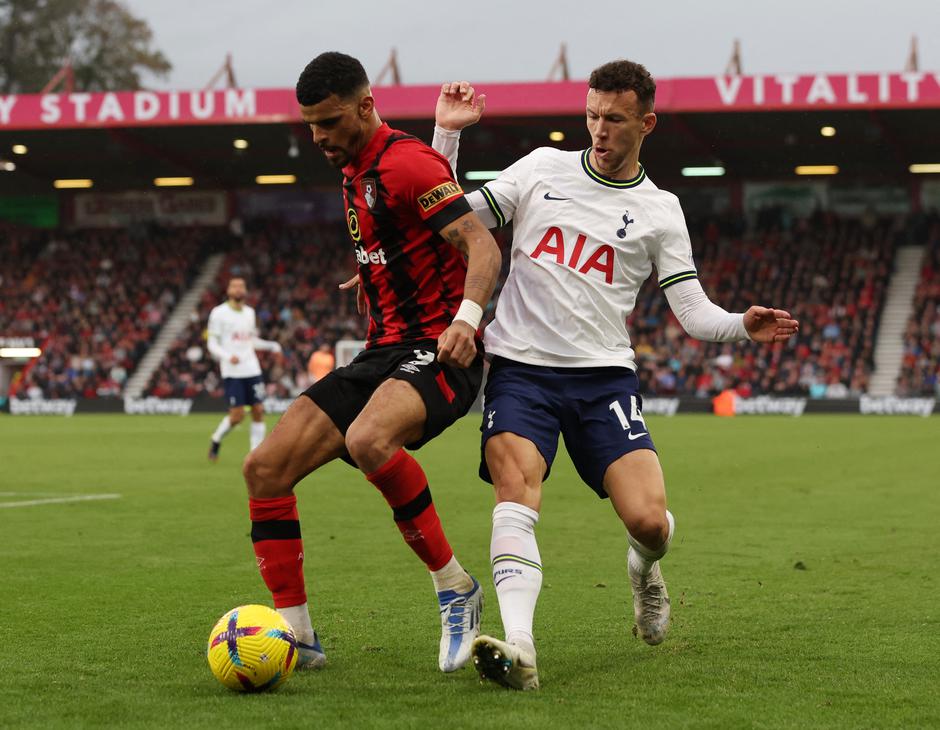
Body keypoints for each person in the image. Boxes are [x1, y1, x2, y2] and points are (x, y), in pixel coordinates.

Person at [430, 63, 800, 690]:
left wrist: (742, 323)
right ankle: (520, 646)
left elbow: (692, 312)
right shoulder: (541, 168)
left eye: (615, 119)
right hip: (521, 370)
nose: (599, 130)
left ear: (646, 123)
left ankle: (644, 571)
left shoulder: (661, 210)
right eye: (592, 115)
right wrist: (447, 136)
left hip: (604, 381)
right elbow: (452, 219)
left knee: (650, 523)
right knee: (515, 491)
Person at [241, 52, 502, 673]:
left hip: (440, 350)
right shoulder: (354, 166)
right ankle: (297, 637)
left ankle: (455, 587)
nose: (318, 137)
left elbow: (482, 245)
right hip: (382, 351)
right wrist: (375, 271)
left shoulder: (407, 162)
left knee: (368, 439)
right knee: (264, 470)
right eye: (310, 125)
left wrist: (465, 320)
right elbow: (403, 234)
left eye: (329, 122)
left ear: (365, 106)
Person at [206, 276, 282, 461]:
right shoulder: (218, 313)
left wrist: (273, 346)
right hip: (232, 371)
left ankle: (255, 454)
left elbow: (251, 340)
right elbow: (212, 343)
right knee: (237, 416)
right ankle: (216, 439)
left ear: (245, 290)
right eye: (235, 286)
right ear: (228, 290)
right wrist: (227, 356)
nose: (238, 289)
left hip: (252, 369)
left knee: (258, 410)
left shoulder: (249, 312)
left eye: (241, 286)